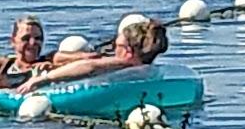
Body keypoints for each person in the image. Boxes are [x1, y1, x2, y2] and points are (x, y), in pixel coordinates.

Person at [14, 19, 167, 94]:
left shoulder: (124, 63)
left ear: (128, 51)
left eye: (117, 46)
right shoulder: (147, 69)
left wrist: (41, 79)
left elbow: (89, 67)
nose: (114, 50)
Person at [2, 15, 48, 88]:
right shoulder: (4, 65)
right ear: (13, 41)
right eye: (26, 38)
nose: (32, 43)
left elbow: (73, 66)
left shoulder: (50, 64)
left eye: (38, 38)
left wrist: (45, 77)